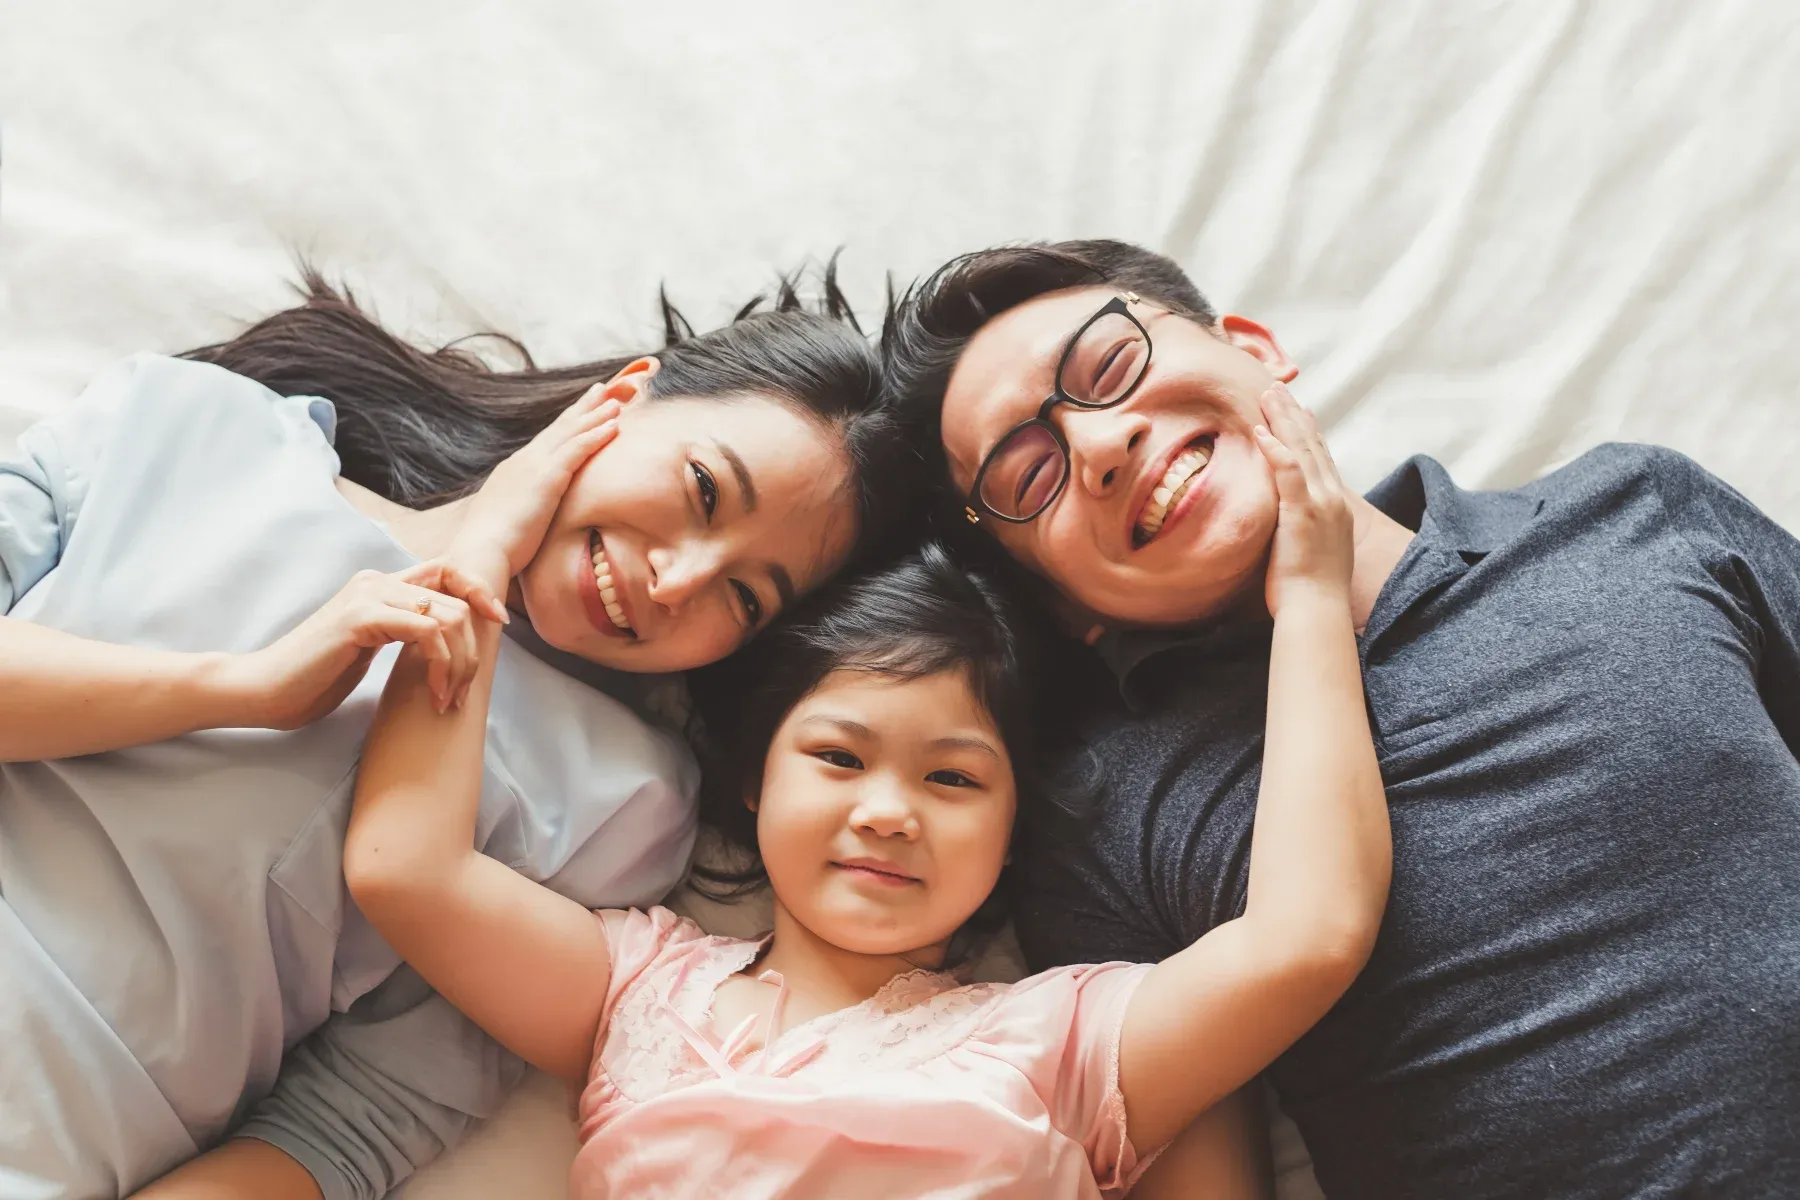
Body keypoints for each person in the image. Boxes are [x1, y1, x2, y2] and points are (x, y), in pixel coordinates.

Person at [268, 382, 1386, 1199]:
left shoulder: (1066, 1041)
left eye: (953, 777)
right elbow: (406, 868)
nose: (888, 811)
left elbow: (1308, 936)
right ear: (755, 781)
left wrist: (1310, 600)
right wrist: (483, 553)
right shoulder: (638, 992)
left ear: (1012, 831)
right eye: (840, 758)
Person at [881, 238, 1800, 1198]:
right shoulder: (1101, 818)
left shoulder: (1635, 511)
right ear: (1065, 605)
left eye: (1111, 365)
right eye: (1030, 477)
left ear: (1255, 349)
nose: (1101, 446)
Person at [0, 267, 912, 1199]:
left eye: (745, 597)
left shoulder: (622, 804)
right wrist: (244, 690)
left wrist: (475, 568)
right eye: (705, 491)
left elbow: (348, 1126)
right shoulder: (198, 423)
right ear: (625, 397)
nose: (676, 581)